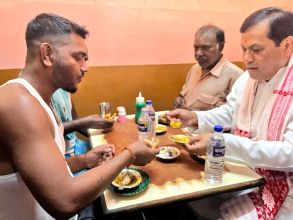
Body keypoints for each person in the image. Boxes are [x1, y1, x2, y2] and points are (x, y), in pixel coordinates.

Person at [0, 13, 159, 220]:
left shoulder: (38, 99)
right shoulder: (19, 104)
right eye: (78, 57)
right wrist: (129, 155)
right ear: (47, 54)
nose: (86, 67)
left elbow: (48, 169)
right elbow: (65, 201)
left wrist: (85, 160)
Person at [168, 7, 293, 219]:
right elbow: (230, 112)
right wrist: (196, 117)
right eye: (244, 49)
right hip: (247, 173)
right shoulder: (248, 78)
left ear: (287, 45)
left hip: (286, 189)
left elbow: (289, 154)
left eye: (256, 49)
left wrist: (223, 143)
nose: (246, 58)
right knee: (192, 197)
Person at [174, 25, 243, 111]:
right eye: (196, 48)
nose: (198, 53)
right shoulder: (194, 69)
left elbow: (234, 115)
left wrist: (195, 116)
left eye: (205, 48)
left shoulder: (236, 76)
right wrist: (179, 98)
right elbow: (183, 93)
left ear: (221, 47)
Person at [51, 88, 113, 158]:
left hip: (76, 144)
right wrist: (85, 122)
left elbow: (75, 120)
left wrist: (100, 136)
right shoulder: (41, 97)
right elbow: (52, 131)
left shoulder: (64, 88)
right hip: (63, 156)